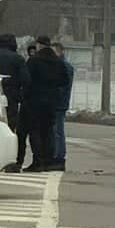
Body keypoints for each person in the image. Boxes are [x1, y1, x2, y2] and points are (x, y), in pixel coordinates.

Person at [0, 34, 30, 173]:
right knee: (10, 129)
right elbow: (26, 80)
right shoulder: (18, 59)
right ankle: (11, 162)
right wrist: (20, 96)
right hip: (11, 98)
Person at [24, 36, 69, 172]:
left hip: (35, 101)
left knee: (35, 131)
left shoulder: (34, 60)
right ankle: (48, 160)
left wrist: (26, 95)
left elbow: (26, 80)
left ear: (39, 45)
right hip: (52, 101)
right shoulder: (58, 61)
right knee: (49, 131)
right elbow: (65, 80)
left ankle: (38, 161)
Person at [50, 42, 75, 170]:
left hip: (59, 103)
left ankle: (59, 156)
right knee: (56, 130)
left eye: (53, 52)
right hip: (60, 102)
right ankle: (57, 155)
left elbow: (62, 86)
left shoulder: (64, 66)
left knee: (57, 131)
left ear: (60, 52)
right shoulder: (61, 65)